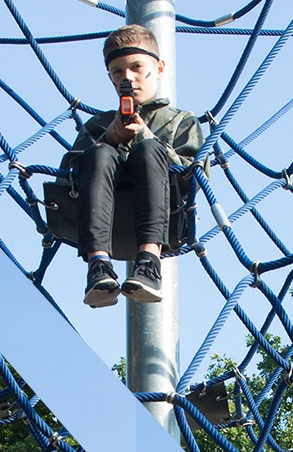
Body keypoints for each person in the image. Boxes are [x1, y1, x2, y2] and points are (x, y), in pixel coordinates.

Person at [58, 24, 202, 308]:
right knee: (98, 153)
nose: (129, 78)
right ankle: (98, 265)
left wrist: (143, 135)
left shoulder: (181, 122)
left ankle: (149, 263)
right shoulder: (97, 125)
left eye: (137, 67)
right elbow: (68, 178)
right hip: (105, 223)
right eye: (118, 72)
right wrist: (109, 138)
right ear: (110, 78)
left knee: (149, 149)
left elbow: (193, 176)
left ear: (159, 67)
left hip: (166, 219)